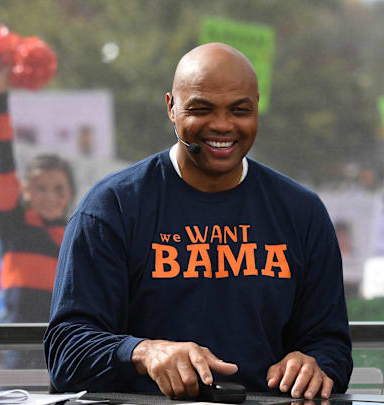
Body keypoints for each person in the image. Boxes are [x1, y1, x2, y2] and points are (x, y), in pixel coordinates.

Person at [44, 43, 352, 400]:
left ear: (257, 109)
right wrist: (143, 352)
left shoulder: (302, 212)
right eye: (201, 109)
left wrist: (314, 364)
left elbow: (332, 348)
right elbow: (67, 352)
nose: (222, 125)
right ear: (171, 108)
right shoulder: (112, 207)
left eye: (240, 110)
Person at [0, 66, 75, 368]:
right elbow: (2, 157)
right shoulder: (14, 222)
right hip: (16, 347)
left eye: (58, 188)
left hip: (61, 350)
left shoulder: (74, 236)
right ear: (25, 190)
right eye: (40, 188)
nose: (50, 196)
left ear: (69, 193)